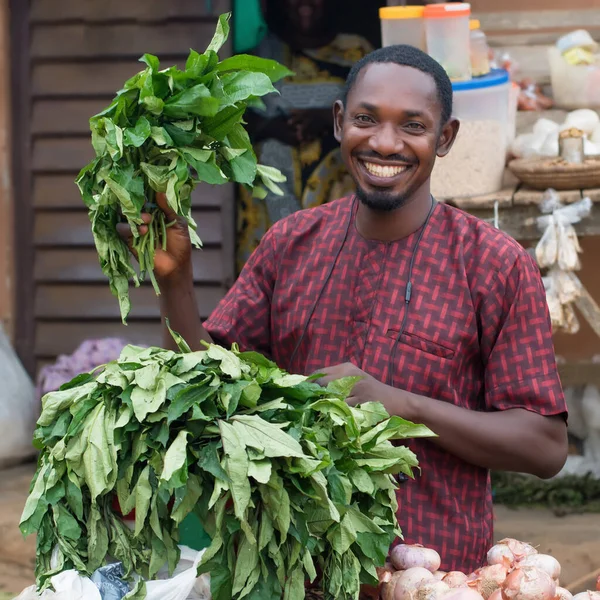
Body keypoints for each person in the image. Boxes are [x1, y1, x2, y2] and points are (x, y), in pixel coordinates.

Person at [119, 45, 568, 572]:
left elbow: (544, 445)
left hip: (438, 579)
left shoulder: (494, 265)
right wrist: (175, 283)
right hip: (293, 570)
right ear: (339, 123)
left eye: (413, 126)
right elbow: (206, 391)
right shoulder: (291, 243)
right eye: (365, 119)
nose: (384, 142)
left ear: (443, 139)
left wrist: (403, 406)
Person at [237, 0, 374, 271]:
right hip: (271, 184)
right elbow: (235, 115)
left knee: (336, 270)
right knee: (273, 272)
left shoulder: (356, 51)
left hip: (337, 181)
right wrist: (273, 127)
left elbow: (378, 111)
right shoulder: (261, 55)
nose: (305, 4)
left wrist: (326, 119)